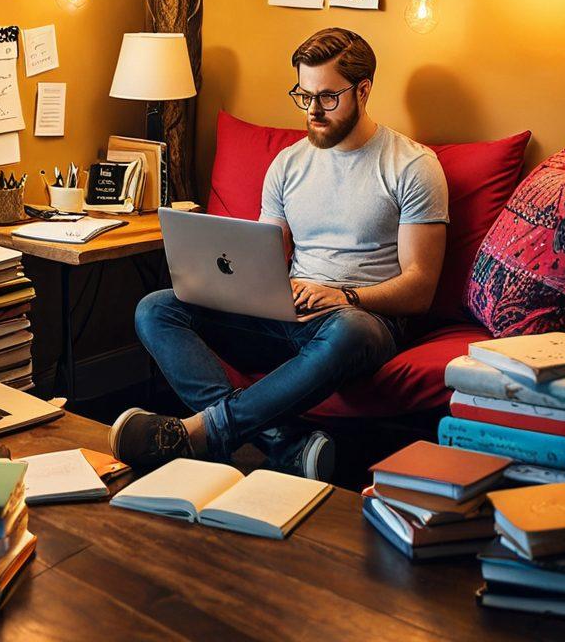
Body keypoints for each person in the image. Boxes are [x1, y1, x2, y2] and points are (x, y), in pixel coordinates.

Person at [111, 28, 448, 479]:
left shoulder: (411, 166)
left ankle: (200, 433)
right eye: (303, 95)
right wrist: (258, 289)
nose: (312, 111)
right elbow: (262, 257)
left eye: (327, 98)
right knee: (156, 308)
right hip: (286, 314)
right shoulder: (288, 164)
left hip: (360, 319)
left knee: (350, 332)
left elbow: (420, 288)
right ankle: (284, 443)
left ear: (363, 91)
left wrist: (343, 296)